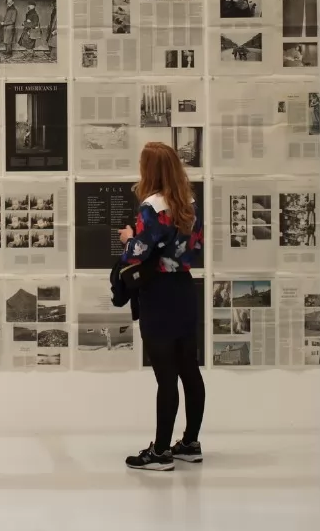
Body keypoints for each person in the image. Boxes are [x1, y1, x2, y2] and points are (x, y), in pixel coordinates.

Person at [113, 141, 205, 472]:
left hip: (159, 293)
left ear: (148, 170)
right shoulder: (191, 205)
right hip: (183, 288)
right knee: (189, 370)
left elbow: (135, 254)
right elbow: (194, 248)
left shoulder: (151, 208)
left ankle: (161, 451)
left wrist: (127, 238)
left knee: (165, 376)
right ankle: (190, 443)